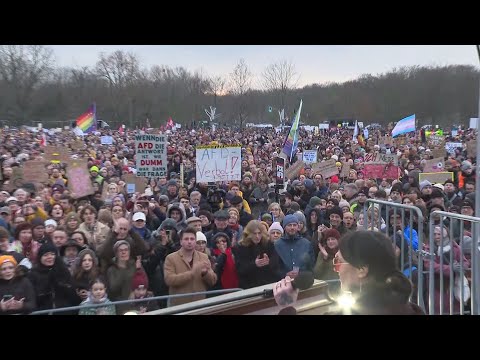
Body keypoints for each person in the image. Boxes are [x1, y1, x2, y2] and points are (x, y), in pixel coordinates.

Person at [273, 231, 424, 315]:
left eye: (338, 262)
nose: (335, 268)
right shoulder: (410, 309)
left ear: (361, 270)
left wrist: (286, 307)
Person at [164, 227, 217, 307]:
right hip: (179, 306)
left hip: (199, 304)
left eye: (192, 239)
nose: (189, 242)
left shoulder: (204, 257)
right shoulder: (171, 258)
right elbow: (169, 280)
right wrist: (191, 273)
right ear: (181, 242)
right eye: (186, 239)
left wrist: (205, 273)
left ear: (195, 241)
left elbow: (213, 281)